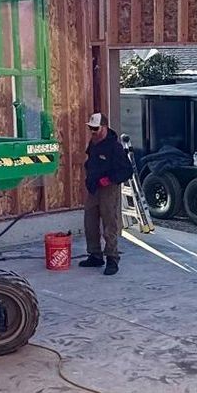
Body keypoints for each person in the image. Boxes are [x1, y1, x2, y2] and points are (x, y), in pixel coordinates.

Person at [81, 112, 131, 275]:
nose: (93, 132)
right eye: (91, 128)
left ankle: (112, 258)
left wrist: (109, 179)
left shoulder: (115, 147)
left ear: (104, 127)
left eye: (95, 128)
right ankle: (95, 255)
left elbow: (126, 171)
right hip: (94, 187)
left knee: (109, 224)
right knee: (90, 221)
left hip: (109, 188)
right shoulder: (93, 142)